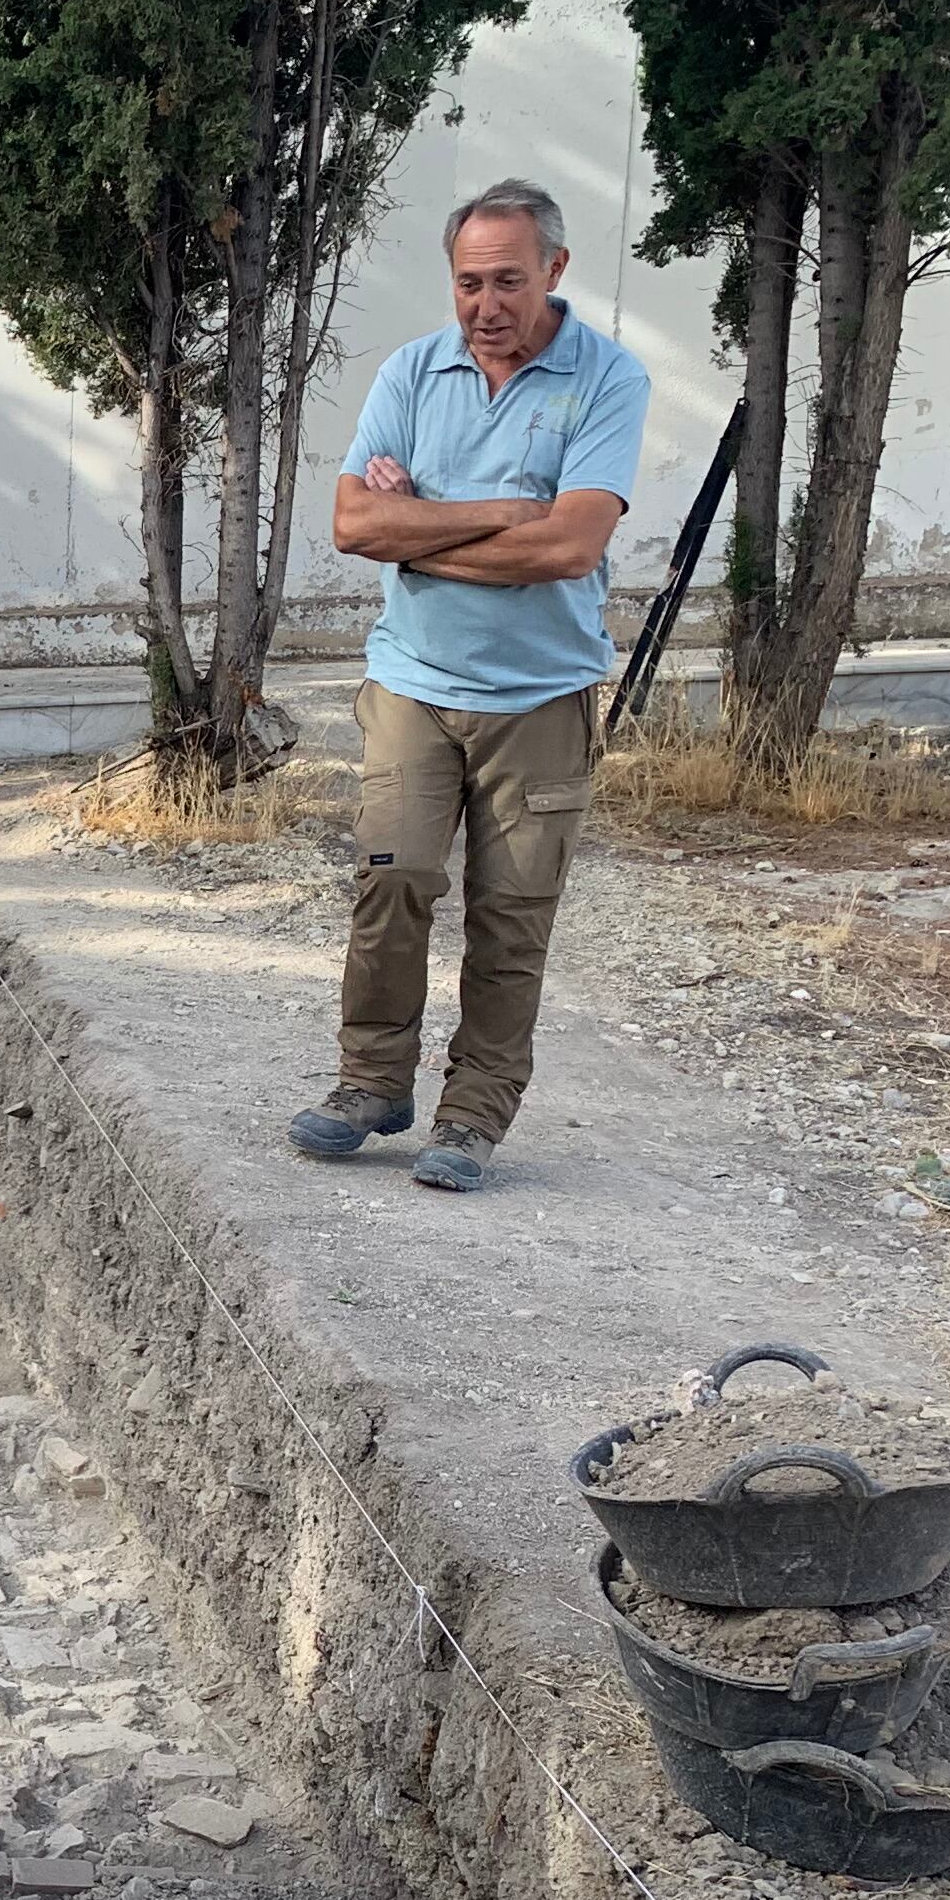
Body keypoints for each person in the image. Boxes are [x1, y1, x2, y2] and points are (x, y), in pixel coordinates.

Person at [293, 176, 650, 1196]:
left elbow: (573, 546)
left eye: (507, 281)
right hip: (413, 683)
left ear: (554, 272)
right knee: (392, 880)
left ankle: (475, 1115)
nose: (486, 306)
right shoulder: (412, 372)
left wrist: (429, 526)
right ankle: (371, 1085)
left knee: (512, 916)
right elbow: (356, 526)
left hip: (541, 699)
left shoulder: (606, 380)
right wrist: (504, 514)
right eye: (467, 284)